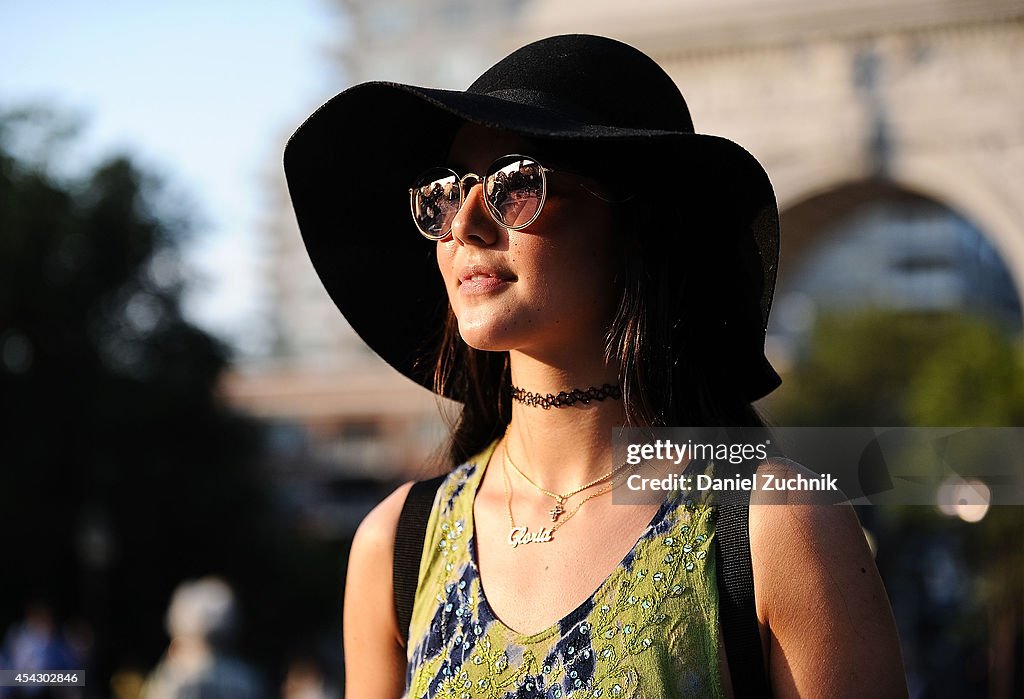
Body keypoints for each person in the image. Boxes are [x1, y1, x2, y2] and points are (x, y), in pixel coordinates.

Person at [284, 34, 907, 699]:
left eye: (515, 184)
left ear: (635, 228)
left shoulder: (774, 525)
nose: (465, 224)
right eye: (446, 190)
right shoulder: (398, 546)